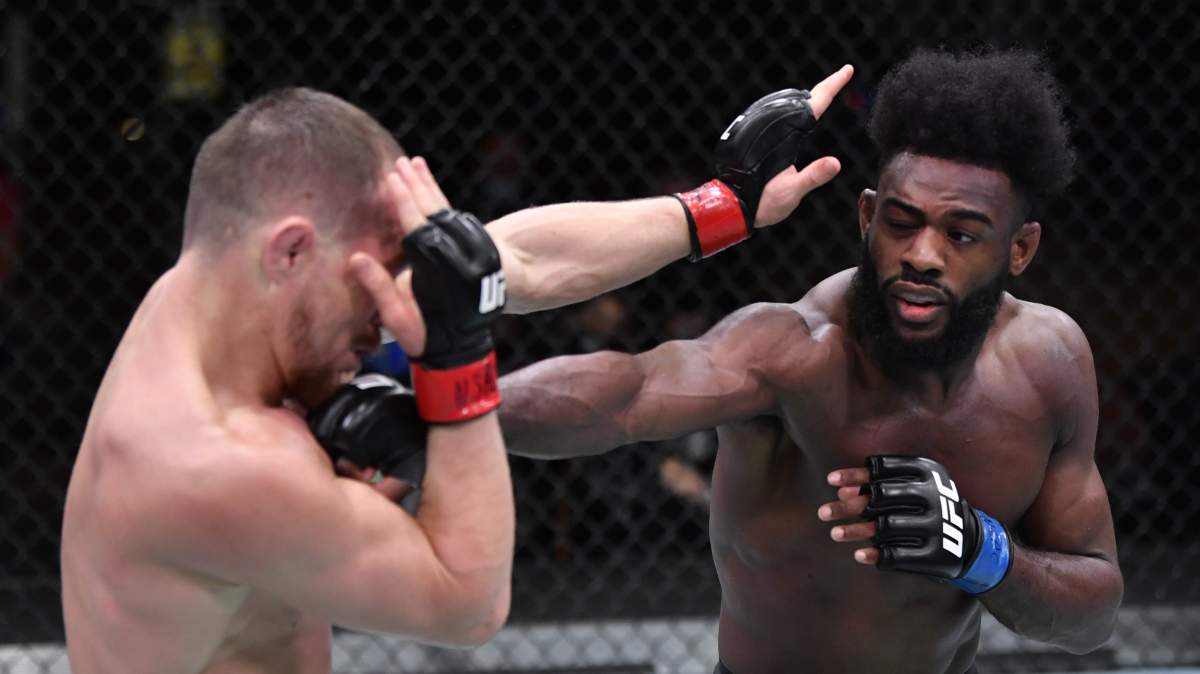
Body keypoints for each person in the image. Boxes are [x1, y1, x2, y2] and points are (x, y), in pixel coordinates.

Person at [61, 62, 855, 673]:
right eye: (374, 286)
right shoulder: (207, 462)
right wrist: (456, 360)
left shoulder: (225, 290)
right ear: (292, 251)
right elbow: (467, 604)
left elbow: (517, 256)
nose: (382, 315)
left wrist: (720, 206)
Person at [500, 49, 1124, 673]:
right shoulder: (794, 352)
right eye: (901, 223)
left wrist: (982, 553)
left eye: (961, 235)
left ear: (1020, 249)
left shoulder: (1048, 363)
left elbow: (1092, 616)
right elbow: (629, 395)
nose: (922, 256)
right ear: (867, 216)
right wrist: (460, 406)